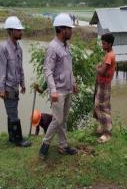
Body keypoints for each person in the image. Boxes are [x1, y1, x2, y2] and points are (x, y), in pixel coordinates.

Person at [38, 13, 79, 159]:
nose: (71, 31)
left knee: (64, 119)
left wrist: (73, 82)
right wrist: (53, 90)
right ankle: (45, 144)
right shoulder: (53, 47)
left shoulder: (66, 47)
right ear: (62, 29)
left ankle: (63, 146)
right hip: (58, 91)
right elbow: (47, 70)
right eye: (69, 28)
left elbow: (69, 68)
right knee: (57, 119)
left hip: (67, 89)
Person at [0, 16, 31, 147]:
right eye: (18, 30)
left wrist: (22, 84)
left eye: (21, 30)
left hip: (15, 86)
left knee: (12, 112)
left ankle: (12, 137)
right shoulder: (4, 48)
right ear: (11, 31)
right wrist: (1, 89)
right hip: (8, 87)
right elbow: (1, 70)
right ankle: (18, 139)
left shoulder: (19, 48)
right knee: (13, 113)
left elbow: (20, 68)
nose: (21, 32)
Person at [94, 33, 116, 143]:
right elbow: (105, 68)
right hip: (103, 83)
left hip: (104, 84)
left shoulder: (109, 56)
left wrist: (96, 67)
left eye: (104, 43)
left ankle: (107, 133)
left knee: (102, 107)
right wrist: (100, 67)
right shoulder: (109, 53)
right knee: (100, 106)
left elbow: (102, 71)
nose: (102, 45)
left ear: (109, 44)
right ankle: (103, 127)